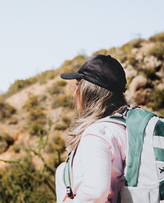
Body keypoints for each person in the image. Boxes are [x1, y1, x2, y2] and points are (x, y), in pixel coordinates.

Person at [55, 54, 128, 203]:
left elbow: (95, 192)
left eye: (77, 85)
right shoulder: (126, 127)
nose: (75, 92)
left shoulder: (97, 134)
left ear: (89, 92)